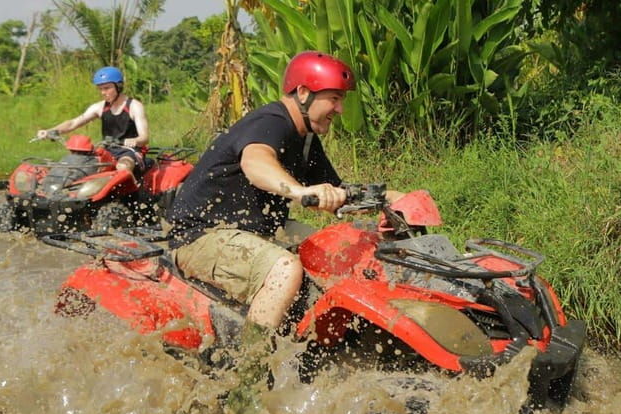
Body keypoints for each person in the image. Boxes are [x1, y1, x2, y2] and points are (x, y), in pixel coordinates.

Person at [166, 51, 401, 333]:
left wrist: (391, 199)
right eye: (334, 99)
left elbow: (337, 194)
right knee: (284, 270)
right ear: (303, 92)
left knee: (337, 251)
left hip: (258, 231)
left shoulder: (306, 138)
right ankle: (252, 367)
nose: (340, 109)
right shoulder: (270, 122)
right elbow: (255, 162)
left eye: (342, 100)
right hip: (202, 237)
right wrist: (299, 192)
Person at [37, 66, 150, 177]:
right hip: (107, 150)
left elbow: (144, 138)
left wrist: (134, 140)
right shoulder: (99, 107)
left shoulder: (134, 106)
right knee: (79, 166)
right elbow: (73, 123)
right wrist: (50, 131)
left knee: (123, 167)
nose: (103, 92)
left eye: (107, 88)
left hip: (129, 151)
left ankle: (133, 194)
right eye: (100, 88)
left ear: (118, 86)